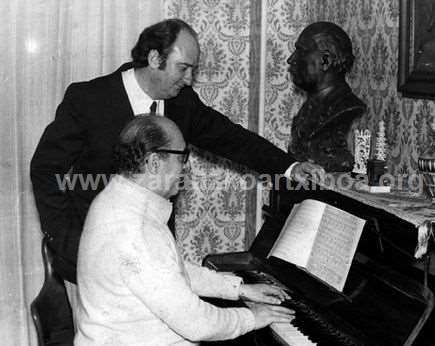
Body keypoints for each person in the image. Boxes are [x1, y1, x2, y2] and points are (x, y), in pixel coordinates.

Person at [30, 18, 325, 286]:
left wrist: (290, 167)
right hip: (91, 262)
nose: (188, 80)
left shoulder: (182, 103)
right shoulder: (88, 99)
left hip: (152, 264)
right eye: (183, 68)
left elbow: (231, 138)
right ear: (155, 58)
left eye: (192, 71)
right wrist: (69, 242)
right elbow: (45, 170)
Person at [74, 115, 295, 345]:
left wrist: (239, 289)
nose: (186, 166)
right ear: (153, 163)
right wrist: (252, 317)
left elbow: (172, 272)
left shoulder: (116, 199)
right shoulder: (136, 229)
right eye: (182, 156)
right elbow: (198, 324)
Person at [287, 21, 366, 172]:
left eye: (300, 51)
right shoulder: (310, 106)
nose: (291, 59)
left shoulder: (347, 108)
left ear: (325, 60)